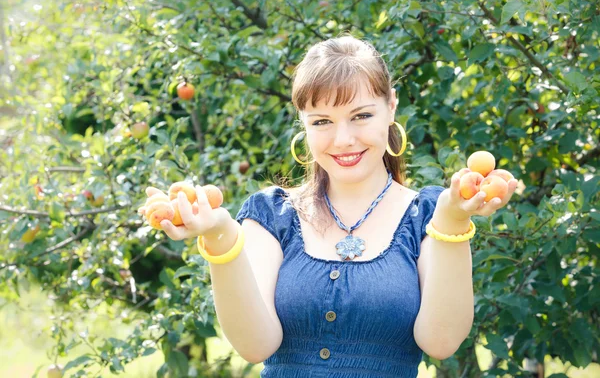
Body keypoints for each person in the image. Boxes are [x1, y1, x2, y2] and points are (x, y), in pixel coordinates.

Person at [144, 34, 518, 377]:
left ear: (391, 106)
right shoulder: (271, 215)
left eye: (361, 116)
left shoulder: (429, 216)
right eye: (322, 121)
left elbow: (442, 341)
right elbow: (255, 345)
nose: (343, 139)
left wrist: (452, 221)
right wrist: (219, 233)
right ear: (303, 124)